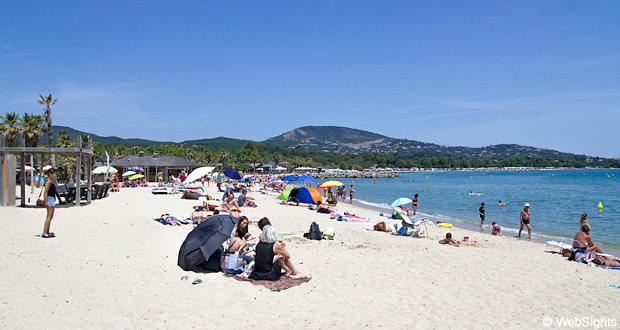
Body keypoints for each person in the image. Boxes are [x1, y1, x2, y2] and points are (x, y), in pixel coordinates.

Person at [42, 169, 57, 238]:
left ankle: (47, 231)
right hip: (49, 199)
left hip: (51, 199)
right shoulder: (48, 182)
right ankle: (45, 232)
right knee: (49, 216)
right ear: (50, 174)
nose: (55, 175)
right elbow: (45, 192)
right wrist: (45, 202)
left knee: (50, 216)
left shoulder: (50, 182)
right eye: (54, 174)